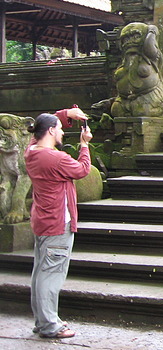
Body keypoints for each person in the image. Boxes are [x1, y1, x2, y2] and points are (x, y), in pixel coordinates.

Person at [25, 106, 92, 339]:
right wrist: (84, 144)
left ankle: (42, 321)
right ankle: (49, 325)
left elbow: (40, 127)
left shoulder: (31, 151)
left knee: (41, 272)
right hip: (57, 223)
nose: (63, 133)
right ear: (52, 131)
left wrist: (65, 115)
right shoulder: (55, 158)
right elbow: (83, 170)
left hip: (42, 220)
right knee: (51, 275)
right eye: (61, 129)